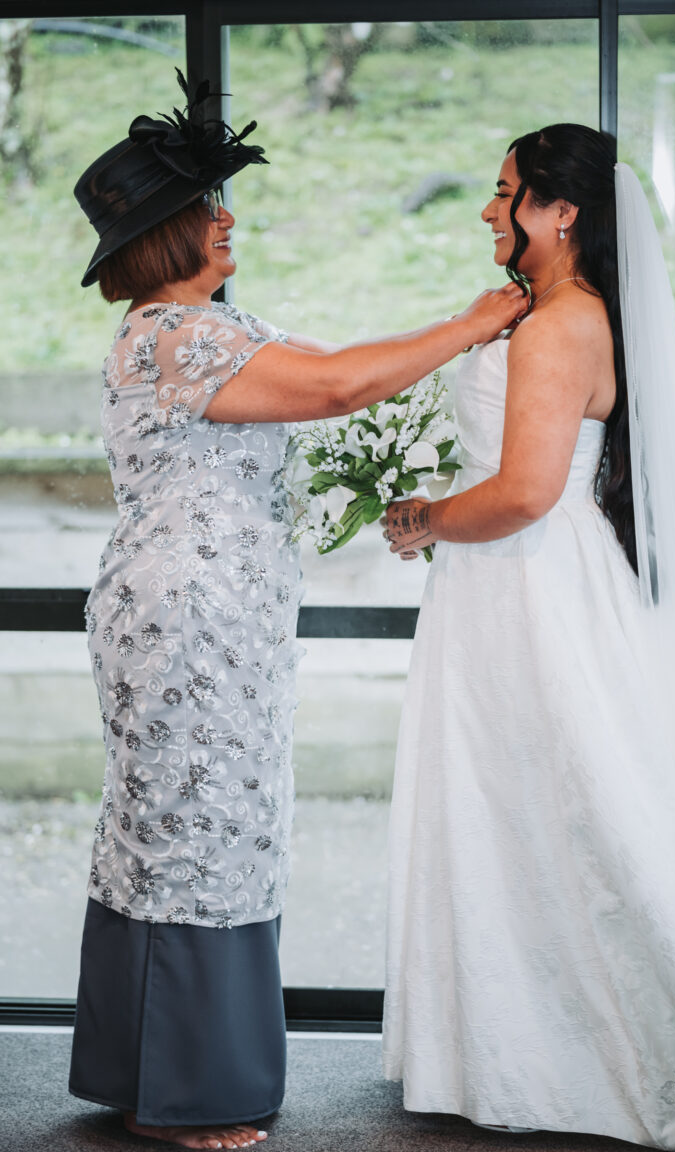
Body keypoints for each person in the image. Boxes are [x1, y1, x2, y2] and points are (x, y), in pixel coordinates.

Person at [67, 72, 527, 1151]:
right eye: (206, 209)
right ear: (162, 237)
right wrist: (469, 323)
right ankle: (187, 1093)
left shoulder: (206, 327)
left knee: (191, 824)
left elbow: (331, 366)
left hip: (208, 615)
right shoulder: (171, 339)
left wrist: (454, 344)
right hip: (186, 616)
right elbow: (332, 392)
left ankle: (150, 1072)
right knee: (199, 829)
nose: (228, 222)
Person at [383, 123, 675, 1151]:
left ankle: (553, 1049)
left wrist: (422, 518)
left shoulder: (559, 329)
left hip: (530, 590)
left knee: (555, 804)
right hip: (516, 588)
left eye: (503, 191)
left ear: (560, 212)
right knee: (531, 809)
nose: (485, 208)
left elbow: (519, 495)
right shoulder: (562, 314)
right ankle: (510, 1040)